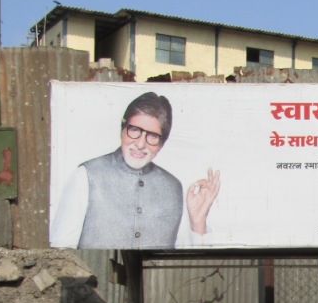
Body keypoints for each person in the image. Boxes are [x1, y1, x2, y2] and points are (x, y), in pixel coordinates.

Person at [51, 92, 220, 249]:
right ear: (123, 129)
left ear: (162, 144)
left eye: (152, 136)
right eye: (134, 130)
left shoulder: (175, 187)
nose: (140, 144)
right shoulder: (85, 176)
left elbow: (186, 263)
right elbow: (61, 254)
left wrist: (198, 222)